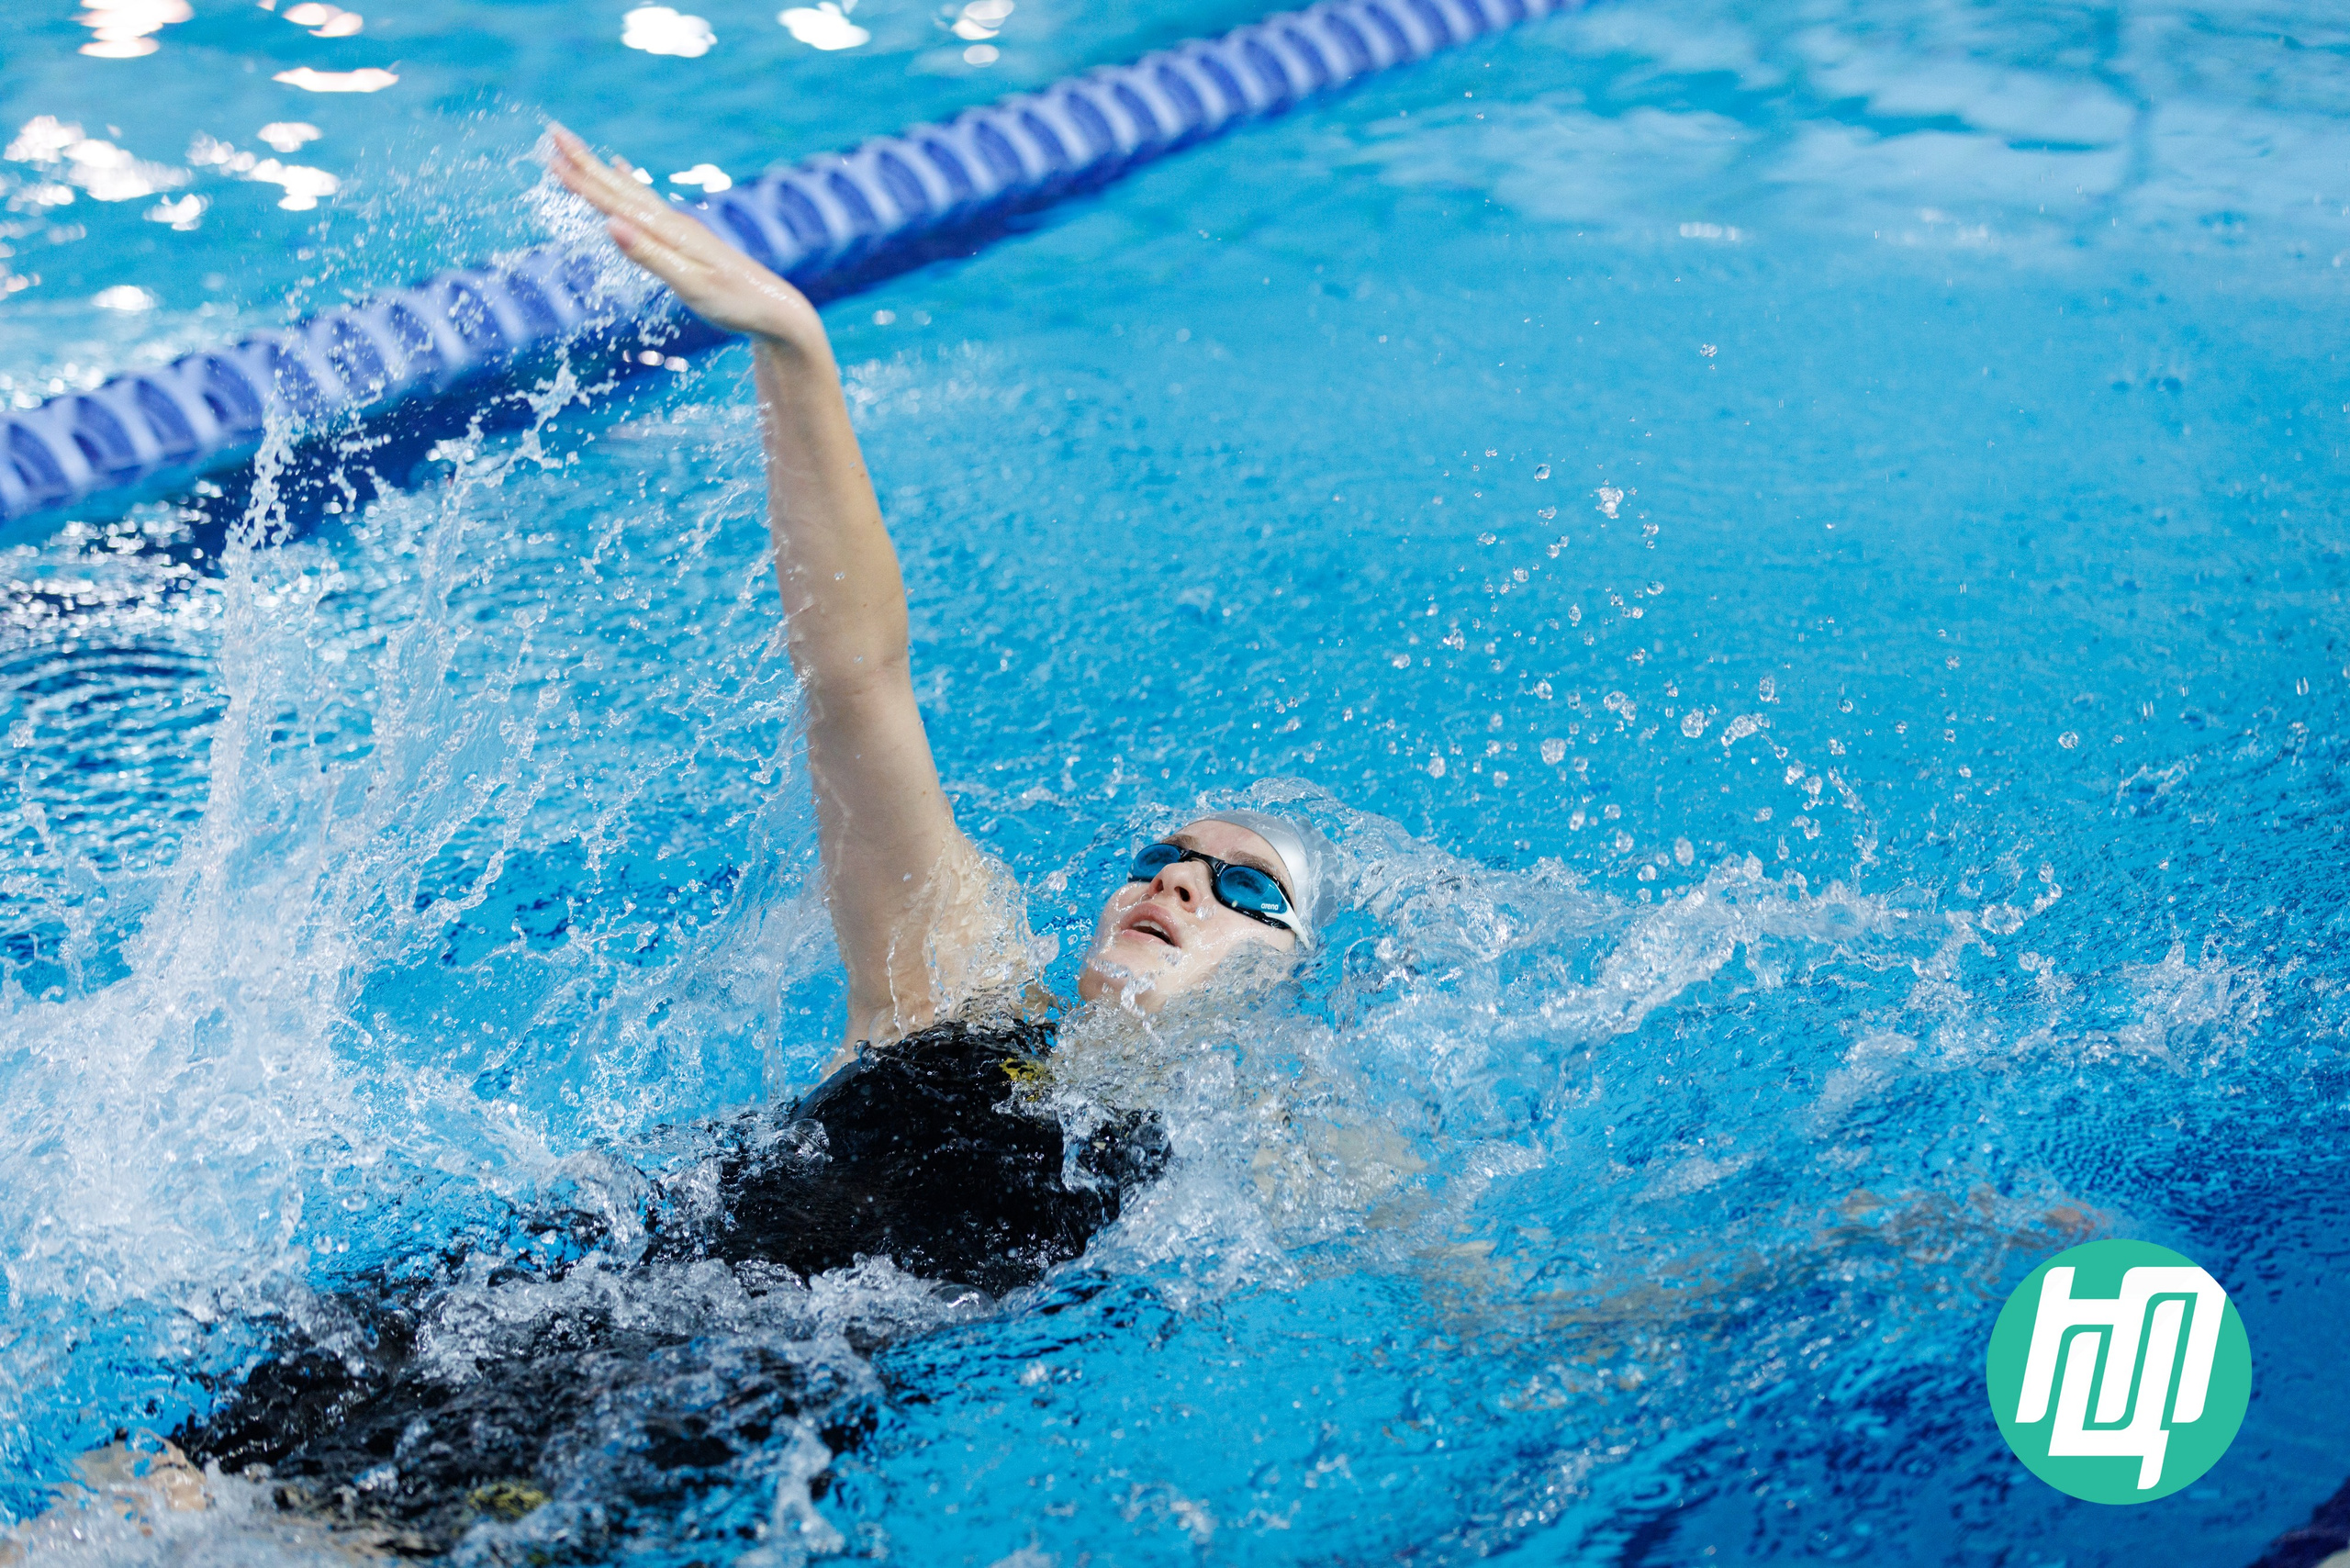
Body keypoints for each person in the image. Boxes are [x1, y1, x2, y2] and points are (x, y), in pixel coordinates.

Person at [21, 128, 1344, 1556]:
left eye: (1243, 886)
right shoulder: (959, 981)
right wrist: (794, 349)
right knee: (115, 1503)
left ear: (1293, 964)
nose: (1178, 880)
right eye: (1163, 854)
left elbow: (1476, 1295)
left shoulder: (1277, 1145)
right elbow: (857, 685)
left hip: (664, 1420)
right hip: (529, 1295)